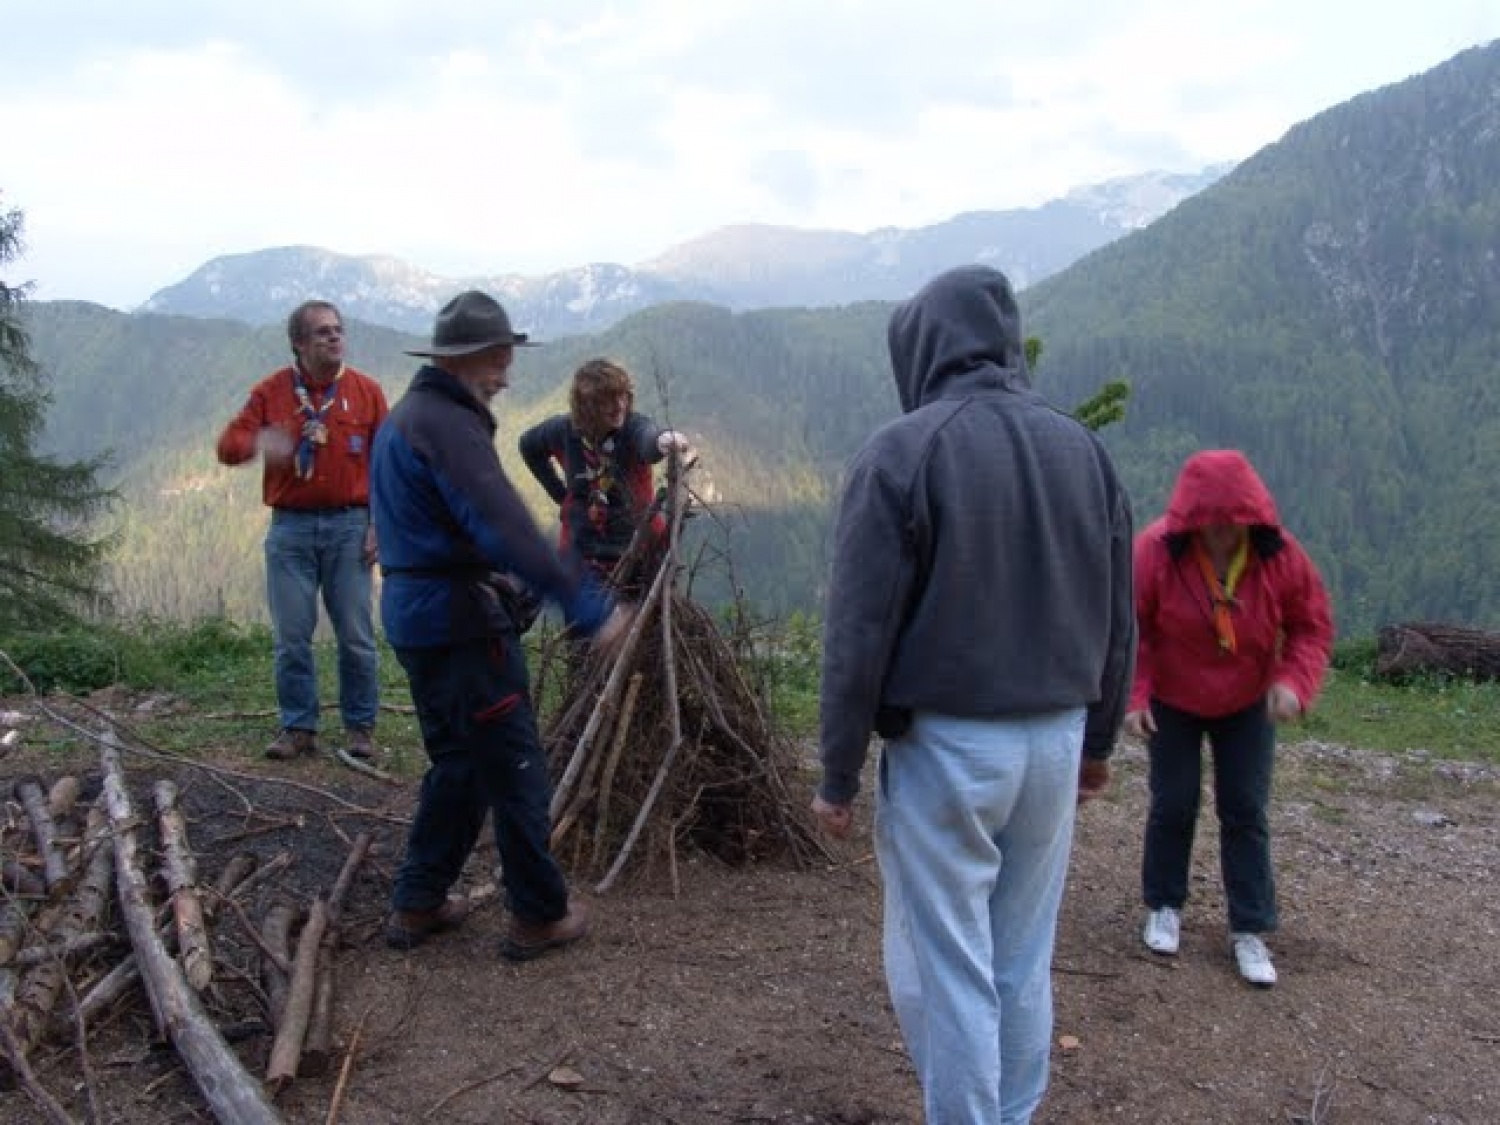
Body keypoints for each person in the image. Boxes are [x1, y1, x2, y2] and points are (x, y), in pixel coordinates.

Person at [812, 264, 1136, 1125]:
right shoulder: (1083, 449)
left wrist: (837, 771)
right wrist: (1098, 743)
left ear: (920, 348)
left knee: (946, 966)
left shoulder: (901, 452)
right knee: (1021, 957)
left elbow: (858, 632)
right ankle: (1012, 1112)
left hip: (947, 748)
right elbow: (1117, 612)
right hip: (1057, 738)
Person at [371, 290, 630, 960]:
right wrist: (591, 607)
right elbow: (507, 526)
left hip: (413, 617)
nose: (509, 372)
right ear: (475, 356)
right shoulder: (451, 427)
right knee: (514, 765)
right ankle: (540, 911)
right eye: (502, 356)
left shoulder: (411, 416)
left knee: (458, 761)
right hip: (461, 626)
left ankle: (419, 897)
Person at [1127, 449, 1333, 988]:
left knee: (1245, 808)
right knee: (1173, 801)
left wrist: (1294, 683)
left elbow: (1311, 627)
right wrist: (1136, 695)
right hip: (1172, 699)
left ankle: (1250, 927)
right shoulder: (1154, 551)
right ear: (1191, 518)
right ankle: (1164, 905)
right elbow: (1132, 628)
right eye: (1209, 522)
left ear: (1250, 516)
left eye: (1231, 521)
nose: (1220, 533)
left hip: (1249, 701)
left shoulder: (1281, 556)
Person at [215, 300, 387, 762]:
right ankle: (298, 728)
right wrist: (261, 441)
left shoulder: (366, 392)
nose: (334, 338)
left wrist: (381, 526)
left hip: (351, 525)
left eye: (338, 330)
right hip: (290, 528)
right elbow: (227, 447)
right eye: (322, 333)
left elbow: (389, 466)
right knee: (292, 635)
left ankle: (360, 729)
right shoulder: (271, 393)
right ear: (299, 343)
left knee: (356, 634)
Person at [518, 358, 690, 593]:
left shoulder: (631, 427)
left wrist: (663, 441)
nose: (619, 405)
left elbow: (647, 439)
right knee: (587, 626)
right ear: (586, 405)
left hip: (638, 552)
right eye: (608, 400)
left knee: (640, 621)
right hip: (582, 554)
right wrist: (562, 495)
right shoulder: (563, 431)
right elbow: (528, 446)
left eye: (623, 396)